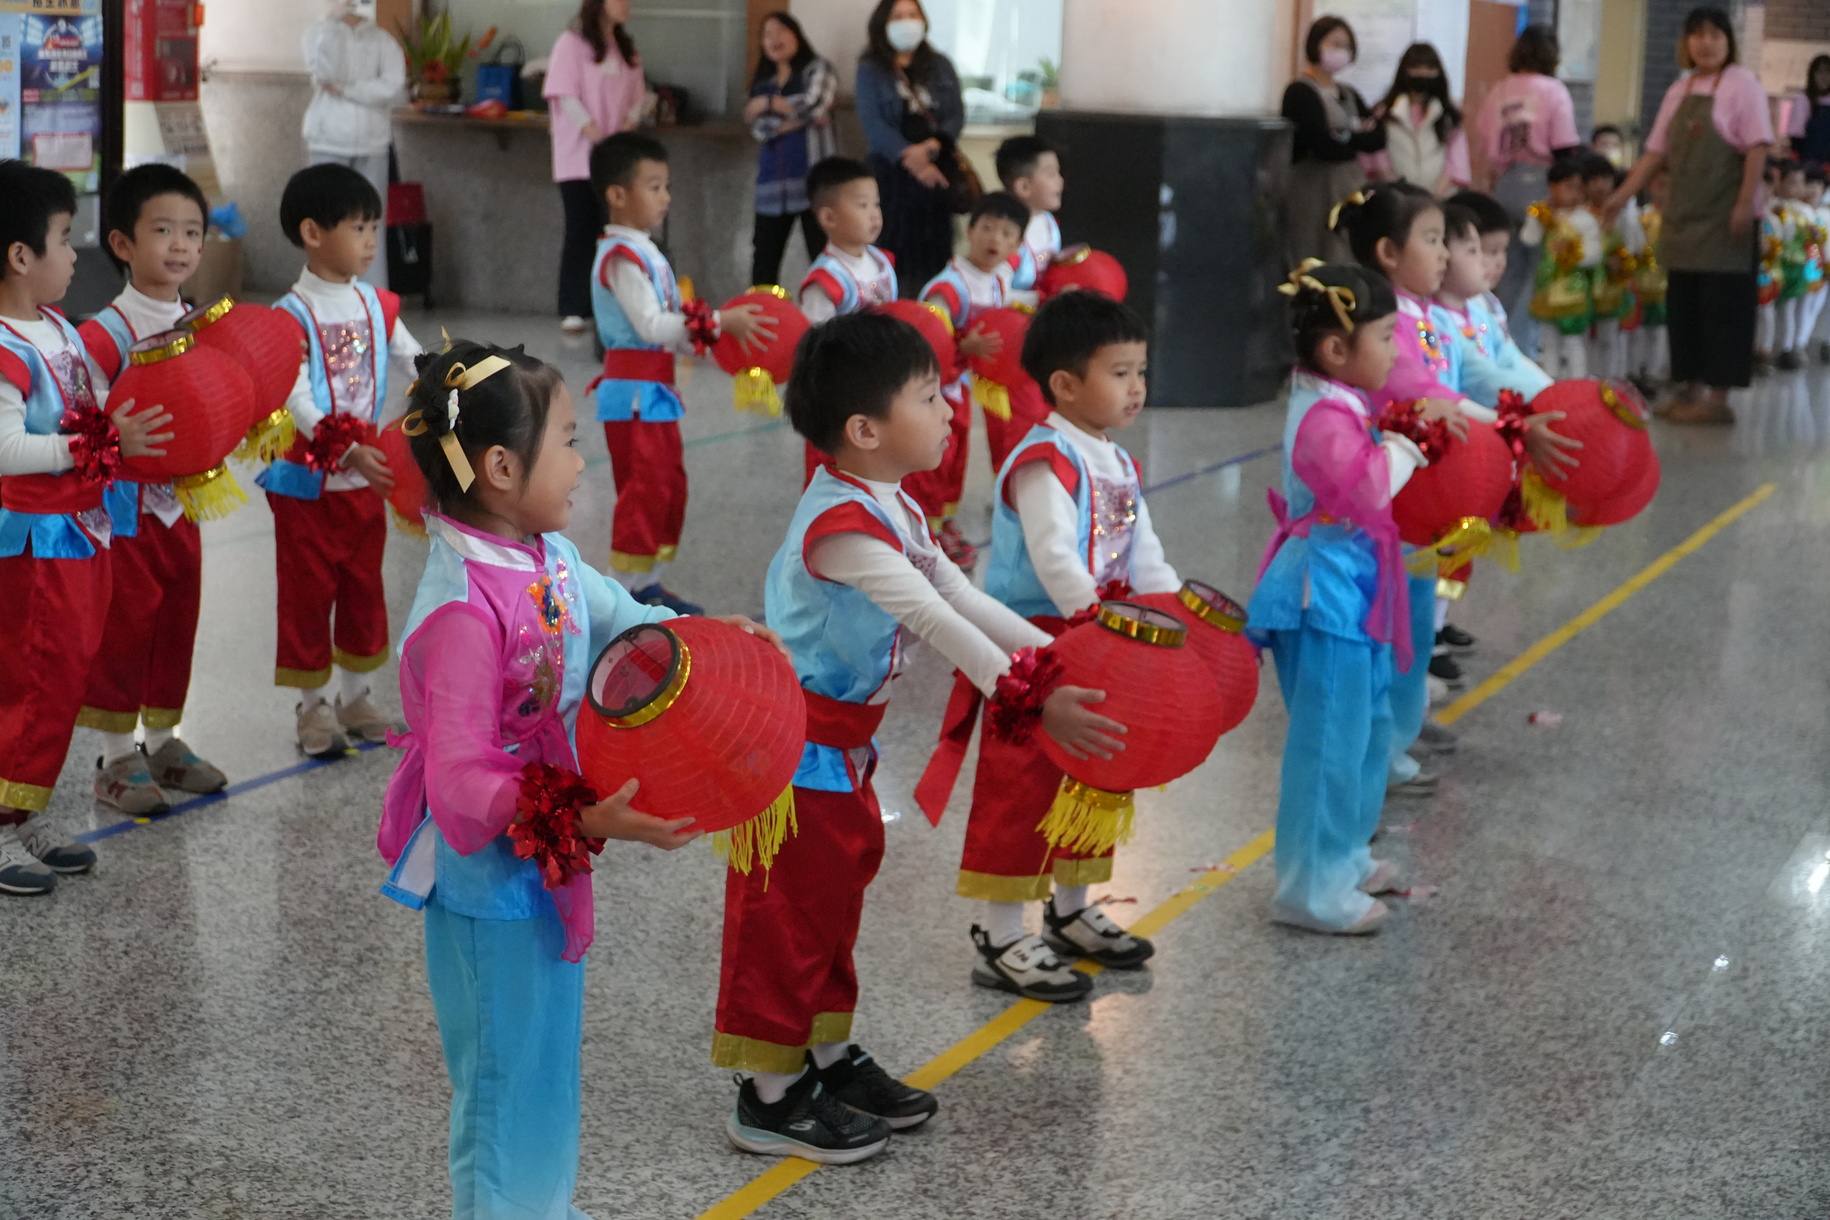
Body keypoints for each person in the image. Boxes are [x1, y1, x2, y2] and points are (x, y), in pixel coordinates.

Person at [377, 339, 776, 1218]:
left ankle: (544, 1208)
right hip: (491, 880)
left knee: (547, 1064)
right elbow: (460, 782)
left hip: (547, 859)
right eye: (568, 439)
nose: (582, 457)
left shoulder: (544, 555)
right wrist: (592, 822)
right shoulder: (460, 608)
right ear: (500, 466)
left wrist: (715, 640)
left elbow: (626, 621)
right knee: (501, 1077)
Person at [722, 312, 1113, 1159]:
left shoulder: (890, 502)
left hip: (845, 750)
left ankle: (823, 1056)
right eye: (932, 397)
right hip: (794, 757)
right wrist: (1036, 699)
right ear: (865, 430)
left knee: (834, 907)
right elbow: (935, 620)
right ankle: (768, 1095)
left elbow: (967, 596)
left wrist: (1065, 656)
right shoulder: (842, 529)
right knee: (787, 920)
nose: (950, 412)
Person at [921, 289, 1170, 999]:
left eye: (1140, 371)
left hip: (1102, 635)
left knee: (1090, 775)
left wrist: (1172, 614)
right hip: (1036, 647)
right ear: (1065, 384)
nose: (1136, 387)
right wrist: (1101, 620)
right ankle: (1001, 935)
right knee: (1022, 788)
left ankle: (1072, 913)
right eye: (1119, 372)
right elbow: (1057, 558)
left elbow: (1143, 552)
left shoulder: (1117, 461)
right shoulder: (1044, 459)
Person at [0, 160, 170, 894]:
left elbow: (101, 408)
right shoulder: (6, 346)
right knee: (27, 680)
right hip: (35, 546)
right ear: (19, 256)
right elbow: (6, 449)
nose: (75, 255)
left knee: (63, 677)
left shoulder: (62, 329)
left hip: (82, 535)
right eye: (65, 240)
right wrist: (88, 446)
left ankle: (24, 811)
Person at [1245, 262, 1414, 934]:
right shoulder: (1320, 416)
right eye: (1387, 337)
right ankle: (1309, 889)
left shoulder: (1339, 399)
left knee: (1365, 730)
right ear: (1337, 351)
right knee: (1328, 746)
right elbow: (1367, 489)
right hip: (1324, 598)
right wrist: (1404, 452)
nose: (1396, 351)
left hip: (1354, 589)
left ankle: (1343, 855)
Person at [74, 164, 229, 815]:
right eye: (162, 229)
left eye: (192, 232)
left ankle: (164, 741)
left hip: (182, 504)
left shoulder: (203, 323)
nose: (180, 245)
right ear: (121, 243)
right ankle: (114, 757)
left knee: (177, 616)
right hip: (122, 512)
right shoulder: (101, 333)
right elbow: (81, 421)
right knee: (125, 624)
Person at [261, 163, 421, 757]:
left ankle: (357, 696)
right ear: (312, 232)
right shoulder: (292, 313)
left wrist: (454, 381)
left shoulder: (378, 306)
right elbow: (293, 393)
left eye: (374, 227)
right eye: (359, 227)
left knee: (362, 586)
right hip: (307, 480)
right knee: (306, 594)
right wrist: (347, 444)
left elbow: (414, 359)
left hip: (364, 480)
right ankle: (312, 707)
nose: (371, 241)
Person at [586, 133, 773, 614]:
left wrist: (723, 348)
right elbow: (651, 326)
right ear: (617, 195)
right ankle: (621, 596)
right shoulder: (622, 258)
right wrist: (718, 323)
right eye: (655, 186)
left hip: (654, 389)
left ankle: (647, 583)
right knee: (643, 489)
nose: (666, 197)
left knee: (666, 486)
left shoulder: (646, 252)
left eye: (666, 186)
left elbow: (677, 329)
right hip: (632, 392)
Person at [1605, 6, 1774, 425]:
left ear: (1728, 41)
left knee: (1724, 309)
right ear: (1685, 43)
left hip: (1725, 219)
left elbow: (1757, 147)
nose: (1706, 43)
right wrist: (1621, 194)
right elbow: (1656, 153)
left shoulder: (1743, 84)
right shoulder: (1679, 91)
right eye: (1697, 35)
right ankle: (1690, 388)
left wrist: (1743, 203)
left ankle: (1717, 397)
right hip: (1684, 218)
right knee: (1685, 306)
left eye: (1715, 34)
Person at [1475, 24, 1581, 359]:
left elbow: (1484, 136)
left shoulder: (1499, 90)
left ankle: (1497, 342)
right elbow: (1564, 144)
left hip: (1505, 182)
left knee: (1504, 270)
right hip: (1543, 183)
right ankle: (1523, 347)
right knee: (1539, 271)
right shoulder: (1553, 90)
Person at [545, 0, 645, 335]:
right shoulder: (571, 43)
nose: (627, 5)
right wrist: (597, 137)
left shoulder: (625, 48)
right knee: (581, 229)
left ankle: (612, 305)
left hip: (614, 160)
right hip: (579, 156)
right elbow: (565, 96)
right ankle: (573, 307)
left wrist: (626, 129)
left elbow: (638, 96)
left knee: (613, 232)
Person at [854, 0, 964, 298]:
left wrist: (932, 148)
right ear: (883, 24)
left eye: (912, 15)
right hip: (891, 177)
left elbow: (955, 115)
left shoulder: (940, 64)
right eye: (898, 16)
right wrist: (915, 161)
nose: (907, 21)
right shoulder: (871, 70)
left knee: (935, 253)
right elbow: (874, 126)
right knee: (894, 253)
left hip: (937, 174)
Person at [301, 0, 405, 291]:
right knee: (323, 215)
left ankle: (372, 292)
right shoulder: (317, 33)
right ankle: (324, 286)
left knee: (370, 218)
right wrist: (331, 27)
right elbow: (323, 74)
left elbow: (392, 86)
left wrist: (349, 90)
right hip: (327, 138)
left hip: (372, 141)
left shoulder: (382, 40)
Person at [1281, 17, 1385, 267]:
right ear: (1316, 44)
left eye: (1346, 46)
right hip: (1313, 188)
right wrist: (1355, 134)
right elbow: (1322, 144)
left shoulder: (1349, 93)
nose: (1341, 50)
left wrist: (1344, 136)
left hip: (1349, 185)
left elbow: (1378, 137)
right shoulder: (1300, 91)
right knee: (1313, 253)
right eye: (1334, 43)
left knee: (1347, 252)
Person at [746, 11, 836, 289]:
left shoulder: (818, 68)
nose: (774, 39)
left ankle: (831, 326)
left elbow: (815, 104)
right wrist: (795, 115)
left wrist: (768, 104)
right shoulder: (762, 82)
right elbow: (759, 129)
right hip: (772, 187)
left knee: (824, 262)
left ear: (797, 35)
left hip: (814, 184)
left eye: (781, 31)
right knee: (764, 266)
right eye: (767, 34)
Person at [1521, 158, 1602, 379]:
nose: (1574, 193)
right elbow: (1529, 240)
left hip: (1572, 289)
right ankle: (1551, 383)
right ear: (1552, 187)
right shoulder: (1547, 215)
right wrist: (1535, 218)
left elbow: (1594, 255)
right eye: (1568, 187)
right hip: (1547, 286)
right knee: (1548, 341)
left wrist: (1571, 254)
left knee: (1573, 341)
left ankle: (1578, 384)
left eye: (1579, 188)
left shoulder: (1586, 220)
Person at [1367, 43, 1470, 198]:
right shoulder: (1384, 113)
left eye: (1429, 67)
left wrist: (1433, 196)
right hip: (1395, 198)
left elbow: (1456, 161)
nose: (1422, 73)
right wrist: (1400, 191)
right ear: (1404, 70)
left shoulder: (1449, 115)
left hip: (1440, 199)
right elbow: (1377, 159)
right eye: (1416, 67)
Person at [1586, 154, 1643, 380]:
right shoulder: (1581, 216)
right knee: (1585, 335)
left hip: (1614, 284)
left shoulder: (1625, 218)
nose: (1600, 185)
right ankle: (1589, 379)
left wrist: (1622, 261)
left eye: (1605, 179)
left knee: (1611, 334)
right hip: (1585, 285)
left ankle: (1610, 381)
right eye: (1593, 180)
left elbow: (1637, 249)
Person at [998, 134, 1066, 298]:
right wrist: (1043, 299)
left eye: (1058, 172)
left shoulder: (1048, 222)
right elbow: (995, 294)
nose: (1060, 180)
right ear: (1023, 187)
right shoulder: (1003, 234)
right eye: (1051, 174)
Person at [1784, 55, 1830, 170]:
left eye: (1827, 72)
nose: (1824, 77)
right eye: (1820, 72)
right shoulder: (1804, 100)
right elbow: (1795, 137)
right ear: (1812, 75)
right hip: (1808, 165)